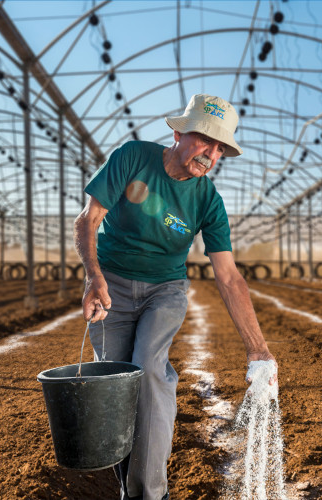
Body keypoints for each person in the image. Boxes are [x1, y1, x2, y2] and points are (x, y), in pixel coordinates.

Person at [73, 93, 276, 500]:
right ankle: (129, 485)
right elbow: (88, 220)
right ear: (178, 132)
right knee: (114, 382)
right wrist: (94, 277)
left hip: (165, 290)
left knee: (148, 367)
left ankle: (150, 494)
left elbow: (229, 277)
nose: (211, 154)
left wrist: (258, 348)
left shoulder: (208, 201)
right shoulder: (133, 158)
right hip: (110, 284)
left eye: (220, 148)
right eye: (206, 140)